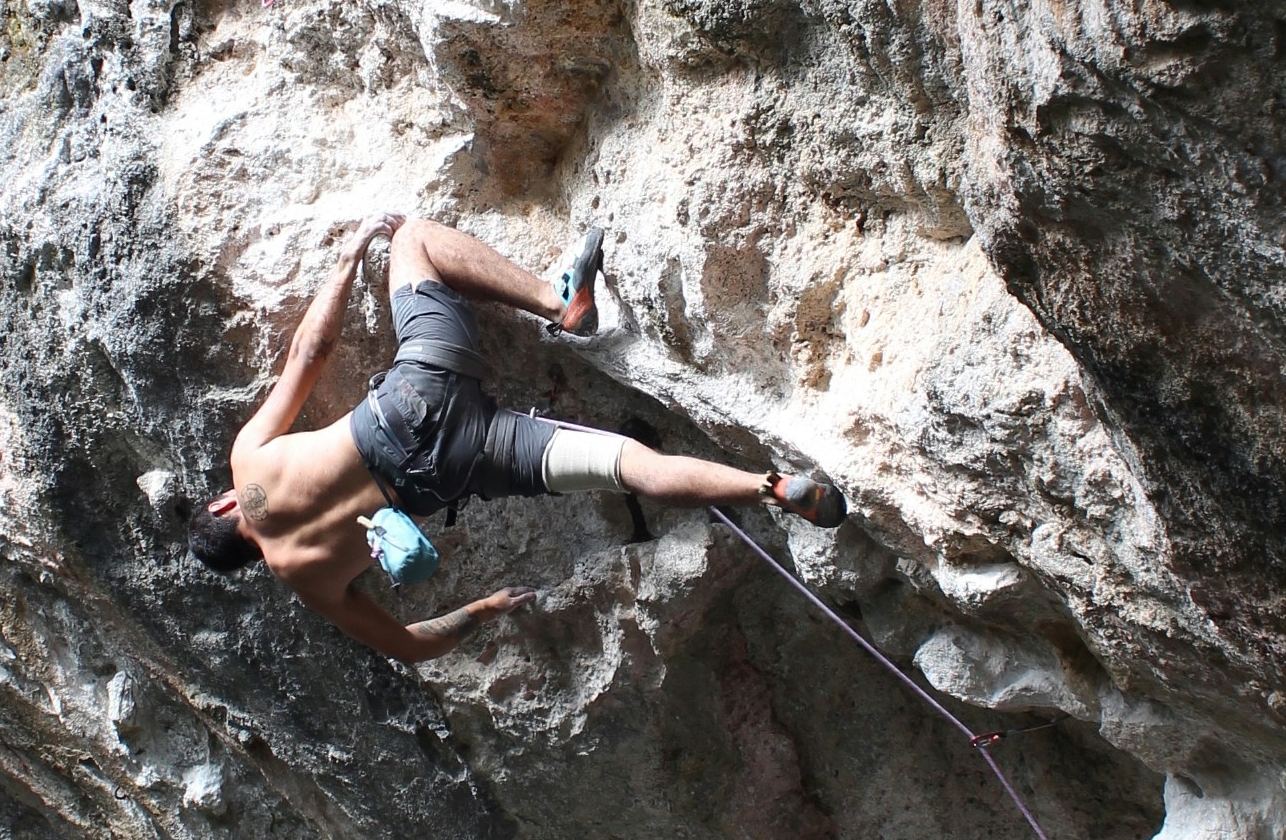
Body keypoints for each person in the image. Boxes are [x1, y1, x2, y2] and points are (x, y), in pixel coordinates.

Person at [189, 213, 844, 660]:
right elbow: (309, 354)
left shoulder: (311, 584)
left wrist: (487, 608)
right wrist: (352, 253)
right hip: (414, 398)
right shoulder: (247, 467)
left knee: (627, 466)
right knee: (414, 238)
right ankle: (558, 303)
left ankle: (771, 486)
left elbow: (410, 646)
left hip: (459, 465)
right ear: (223, 507)